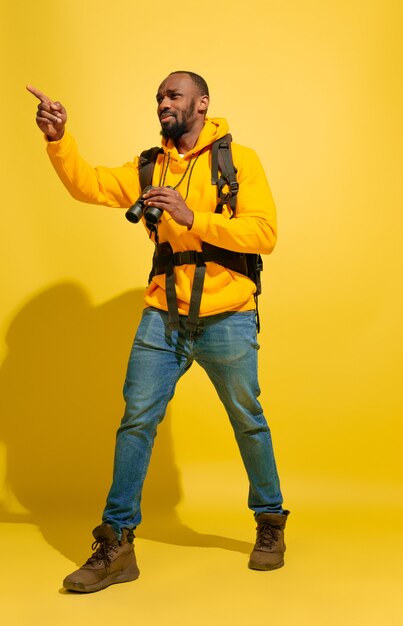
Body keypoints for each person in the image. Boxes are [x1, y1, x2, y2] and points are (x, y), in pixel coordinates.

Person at [27, 71, 289, 593]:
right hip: (162, 315)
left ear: (202, 103)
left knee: (248, 419)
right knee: (136, 420)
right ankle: (117, 544)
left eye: (173, 96)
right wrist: (59, 140)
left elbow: (265, 234)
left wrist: (195, 218)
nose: (163, 104)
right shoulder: (151, 165)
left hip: (229, 315)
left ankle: (270, 521)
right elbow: (92, 185)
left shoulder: (240, 161)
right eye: (159, 98)